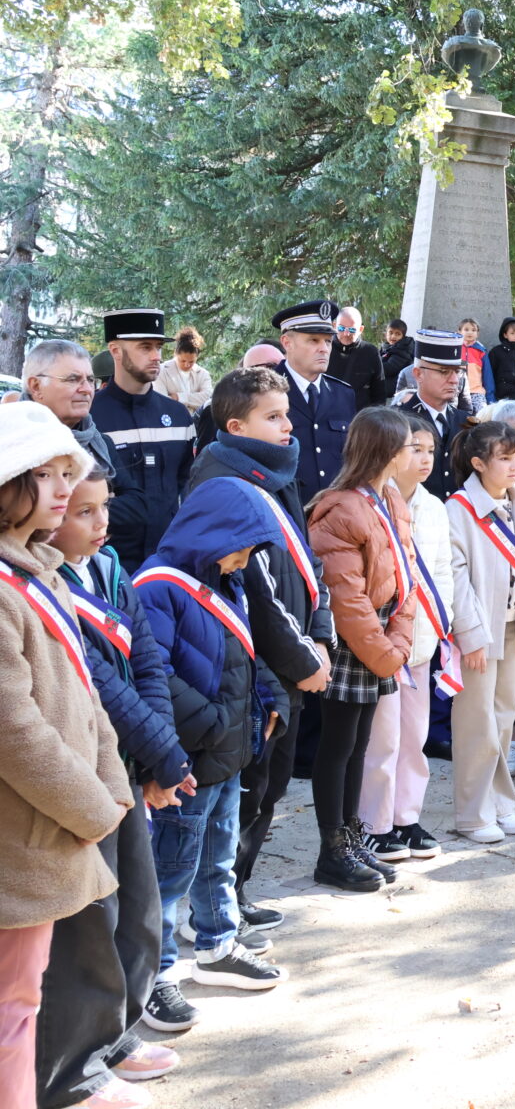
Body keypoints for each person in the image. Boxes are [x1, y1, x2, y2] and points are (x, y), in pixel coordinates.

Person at [0, 404, 134, 1107]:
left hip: (51, 827)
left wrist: (109, 783)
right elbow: (13, 728)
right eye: (44, 475)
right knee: (11, 1006)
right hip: (22, 832)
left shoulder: (37, 572)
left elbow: (84, 699)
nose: (63, 489)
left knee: (21, 998)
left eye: (66, 473)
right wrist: (90, 804)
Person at [40, 468, 188, 1099]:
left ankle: (118, 1030)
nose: (100, 523)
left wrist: (159, 749)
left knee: (137, 904)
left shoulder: (111, 568)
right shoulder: (48, 581)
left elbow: (147, 657)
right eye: (84, 512)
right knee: (93, 918)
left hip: (129, 761)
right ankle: (79, 1055)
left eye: (105, 509)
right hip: (89, 764)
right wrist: (160, 747)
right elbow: (100, 683)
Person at [187, 367, 334, 935]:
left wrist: (320, 635)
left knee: (270, 786)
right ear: (234, 424)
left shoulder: (277, 470)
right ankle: (212, 908)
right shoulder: (222, 479)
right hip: (254, 661)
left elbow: (306, 561)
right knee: (244, 790)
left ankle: (237, 891)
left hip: (295, 652)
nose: (287, 426)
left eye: (286, 415)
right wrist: (303, 659)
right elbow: (253, 586)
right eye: (272, 418)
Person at [134, 478, 289, 1015]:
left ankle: (217, 945)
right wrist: (214, 723)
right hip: (191, 757)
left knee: (218, 857)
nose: (244, 560)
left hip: (225, 755)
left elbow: (243, 655)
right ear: (211, 533)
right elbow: (151, 671)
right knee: (171, 868)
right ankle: (153, 974)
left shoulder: (224, 581)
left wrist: (270, 703)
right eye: (241, 547)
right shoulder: (159, 587)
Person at [303, 409, 419, 891]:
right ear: (388, 452)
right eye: (408, 446)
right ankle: (332, 850)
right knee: (338, 746)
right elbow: (346, 596)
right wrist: (386, 649)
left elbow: (406, 572)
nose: (413, 454)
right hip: (357, 642)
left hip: (381, 637)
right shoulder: (341, 506)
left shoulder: (389, 498)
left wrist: (400, 636)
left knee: (359, 747)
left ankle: (352, 839)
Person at [446, 421, 515, 841]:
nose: (513, 466)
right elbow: (455, 579)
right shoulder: (458, 507)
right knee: (477, 723)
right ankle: (473, 813)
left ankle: (502, 804)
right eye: (503, 459)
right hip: (480, 630)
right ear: (478, 463)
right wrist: (470, 634)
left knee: (505, 718)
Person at [359, 419, 449, 864]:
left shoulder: (434, 506)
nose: (425, 458)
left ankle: (406, 816)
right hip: (385, 643)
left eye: (431, 449)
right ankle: (374, 823)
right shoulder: (376, 502)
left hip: (421, 640)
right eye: (415, 448)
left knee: (414, 736)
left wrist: (441, 626)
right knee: (384, 739)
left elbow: (443, 571)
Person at [92, 309, 196, 571]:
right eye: (145, 347)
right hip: (110, 563)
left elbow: (186, 483)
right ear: (115, 350)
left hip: (169, 561)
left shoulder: (177, 415)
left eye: (159, 347)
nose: (156, 357)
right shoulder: (91, 416)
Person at [273, 300, 356, 508]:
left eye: (328, 341)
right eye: (313, 340)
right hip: (284, 514)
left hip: (334, 516)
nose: (324, 349)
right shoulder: (264, 391)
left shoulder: (343, 394)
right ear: (286, 342)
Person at [400, 329, 475, 499]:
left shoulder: (465, 422)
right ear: (418, 374)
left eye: (457, 371)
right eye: (443, 371)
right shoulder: (399, 422)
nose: (454, 380)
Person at [23, 339, 115, 477]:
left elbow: (133, 494)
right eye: (72, 379)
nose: (87, 389)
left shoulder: (100, 442)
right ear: (36, 386)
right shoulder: (9, 442)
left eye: (90, 380)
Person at [324, 306, 385, 412]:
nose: (346, 334)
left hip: (359, 419)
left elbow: (379, 393)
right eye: (341, 328)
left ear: (361, 329)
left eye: (352, 330)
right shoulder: (324, 348)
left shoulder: (370, 352)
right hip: (326, 415)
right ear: (334, 326)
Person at [153, 326, 212, 413]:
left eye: (191, 361)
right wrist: (194, 400)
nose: (187, 364)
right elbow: (161, 401)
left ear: (197, 357)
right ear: (175, 353)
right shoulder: (161, 371)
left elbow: (207, 399)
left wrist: (178, 397)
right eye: (182, 360)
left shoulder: (203, 374)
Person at [457, 318, 496, 411]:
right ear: (459, 332)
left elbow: (487, 376)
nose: (470, 332)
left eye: (473, 330)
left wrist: (490, 400)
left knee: (480, 416)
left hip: (476, 391)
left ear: (477, 333)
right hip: (456, 392)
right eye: (466, 329)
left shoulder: (481, 351)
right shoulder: (455, 348)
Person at [379, 320, 414, 403]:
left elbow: (389, 369)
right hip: (385, 382)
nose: (393, 336)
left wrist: (371, 365)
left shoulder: (403, 350)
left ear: (403, 336)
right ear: (386, 333)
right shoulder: (387, 347)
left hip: (394, 386)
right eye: (390, 332)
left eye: (397, 334)